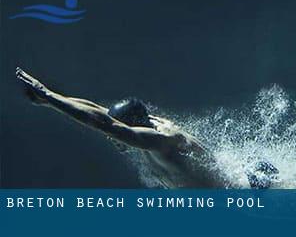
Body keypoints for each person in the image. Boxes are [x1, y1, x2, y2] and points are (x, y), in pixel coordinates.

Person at [15, 67, 277, 188]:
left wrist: (48, 96)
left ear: (132, 127)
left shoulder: (161, 141)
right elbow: (99, 113)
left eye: (115, 133)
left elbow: (105, 124)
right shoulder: (146, 126)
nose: (111, 138)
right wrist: (51, 100)